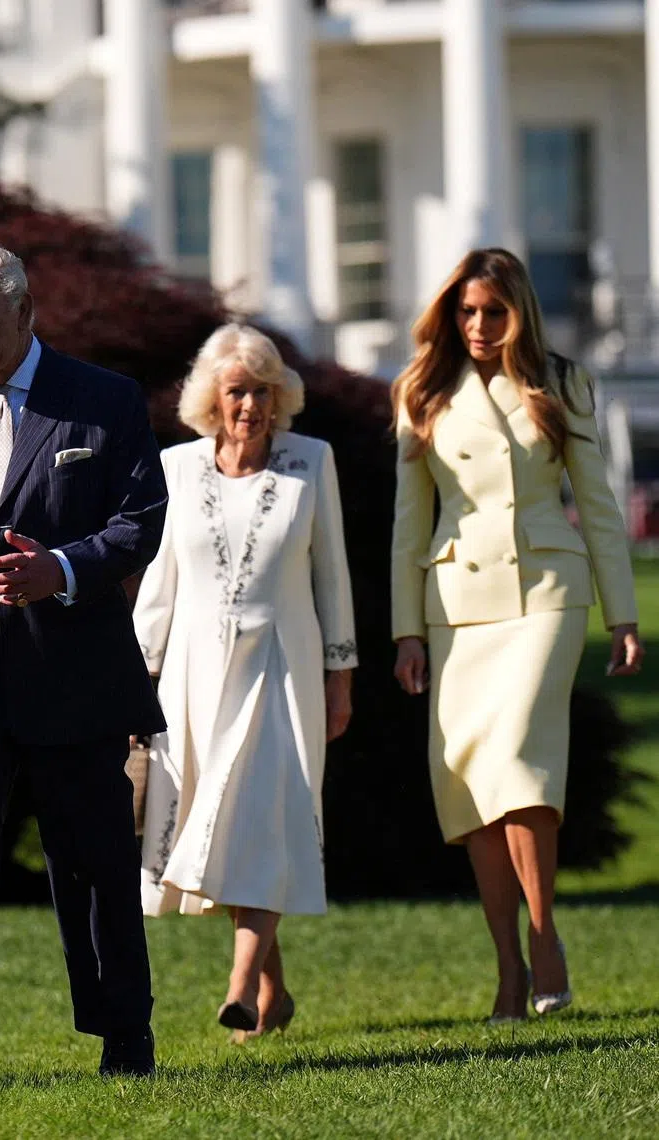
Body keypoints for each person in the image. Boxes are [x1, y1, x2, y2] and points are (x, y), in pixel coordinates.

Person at [0, 242, 167, 1095]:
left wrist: (62, 568)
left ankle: (124, 1033)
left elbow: (142, 520)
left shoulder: (103, 400)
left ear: (24, 309)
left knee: (91, 864)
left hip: (74, 673)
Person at [390, 247, 644, 1025]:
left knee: (521, 761)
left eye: (492, 312)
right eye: (465, 311)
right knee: (469, 783)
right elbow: (410, 523)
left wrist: (622, 611)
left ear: (520, 313)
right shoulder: (422, 391)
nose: (476, 326)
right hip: (458, 603)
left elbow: (597, 503)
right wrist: (407, 631)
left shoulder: (564, 382)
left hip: (546, 593)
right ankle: (509, 969)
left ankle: (546, 939)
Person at [132, 324, 357, 1041]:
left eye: (263, 391)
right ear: (211, 397)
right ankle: (275, 991)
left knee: (261, 815)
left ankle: (240, 987)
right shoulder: (175, 468)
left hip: (284, 670)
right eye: (238, 391)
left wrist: (341, 673)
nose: (251, 406)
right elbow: (159, 587)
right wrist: (137, 681)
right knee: (220, 828)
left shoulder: (311, 462)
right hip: (194, 679)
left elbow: (334, 577)